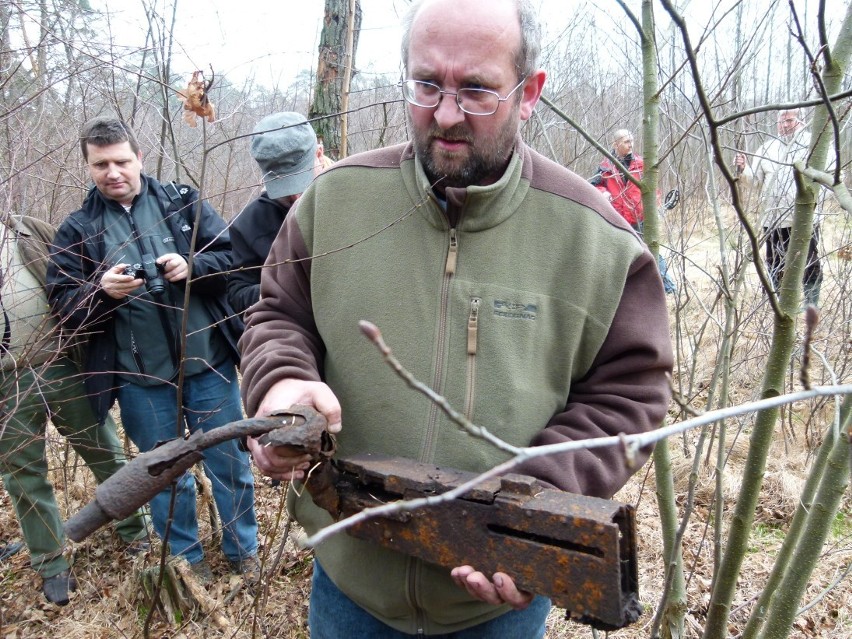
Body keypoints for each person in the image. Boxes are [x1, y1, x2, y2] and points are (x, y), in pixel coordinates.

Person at [239, 0, 673, 636]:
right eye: (426, 84)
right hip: (349, 585)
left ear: (529, 92)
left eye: (475, 89)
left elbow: (631, 393)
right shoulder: (335, 203)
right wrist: (280, 382)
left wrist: (525, 507)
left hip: (496, 604)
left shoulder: (596, 241)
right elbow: (277, 313)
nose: (444, 114)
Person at [46, 118, 259, 584]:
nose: (112, 171)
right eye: (100, 164)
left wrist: (193, 266)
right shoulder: (79, 230)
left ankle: (245, 553)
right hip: (140, 379)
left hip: (208, 365)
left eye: (121, 160)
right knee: (161, 475)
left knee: (230, 462)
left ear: (140, 158)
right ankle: (186, 564)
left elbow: (234, 260)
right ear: (88, 166)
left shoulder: (182, 203)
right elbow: (62, 304)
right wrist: (101, 292)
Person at [1, 213, 149, 605]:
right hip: (5, 384)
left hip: (60, 364)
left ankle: (136, 532)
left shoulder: (27, 230)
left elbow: (76, 279)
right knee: (23, 475)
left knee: (105, 452)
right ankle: (51, 563)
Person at [228, 112, 319, 317]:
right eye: (285, 190)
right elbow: (237, 291)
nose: (296, 198)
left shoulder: (352, 194)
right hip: (289, 330)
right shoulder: (249, 224)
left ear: (319, 154)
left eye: (302, 184)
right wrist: (275, 291)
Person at [735, 109, 822, 306]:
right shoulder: (768, 148)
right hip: (773, 219)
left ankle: (811, 303)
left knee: (808, 261)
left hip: (804, 218)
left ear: (800, 120)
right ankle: (778, 302)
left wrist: (816, 200)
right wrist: (742, 169)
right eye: (780, 121)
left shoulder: (813, 144)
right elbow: (754, 181)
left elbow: (831, 177)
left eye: (789, 120)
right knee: (774, 261)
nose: (784, 125)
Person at [591, 129, 677, 294]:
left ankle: (668, 288)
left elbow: (653, 190)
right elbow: (594, 186)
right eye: (626, 142)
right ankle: (620, 291)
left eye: (631, 141)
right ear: (616, 144)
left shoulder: (641, 164)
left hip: (640, 218)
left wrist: (656, 208)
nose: (630, 145)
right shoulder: (605, 167)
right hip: (617, 219)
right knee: (618, 255)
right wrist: (604, 192)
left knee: (652, 252)